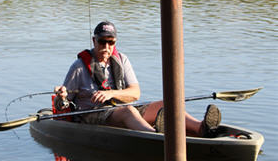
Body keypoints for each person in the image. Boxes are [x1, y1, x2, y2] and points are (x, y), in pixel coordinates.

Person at [54, 21, 221, 137]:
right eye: (101, 42)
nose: (106, 47)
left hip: (123, 109)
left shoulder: (122, 60)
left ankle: (201, 128)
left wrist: (111, 94)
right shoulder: (78, 67)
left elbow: (135, 93)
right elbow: (62, 105)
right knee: (129, 111)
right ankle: (156, 136)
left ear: (115, 42)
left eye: (110, 42)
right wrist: (61, 98)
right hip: (93, 114)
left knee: (167, 104)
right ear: (94, 41)